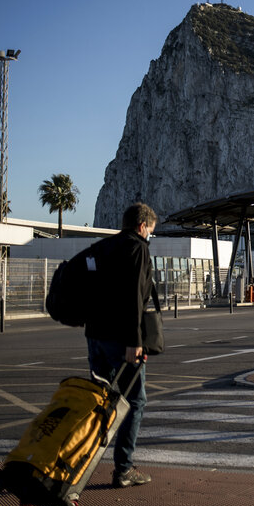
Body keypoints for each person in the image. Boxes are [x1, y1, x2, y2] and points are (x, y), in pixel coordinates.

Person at [84, 202, 158, 488]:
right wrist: (135, 342)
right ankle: (123, 469)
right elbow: (134, 298)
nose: (149, 237)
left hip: (95, 337)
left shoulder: (102, 247)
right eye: (150, 232)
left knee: (99, 401)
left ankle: (77, 460)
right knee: (135, 401)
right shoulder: (138, 248)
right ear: (142, 226)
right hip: (121, 340)